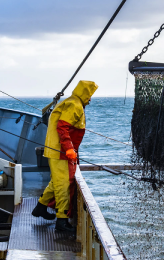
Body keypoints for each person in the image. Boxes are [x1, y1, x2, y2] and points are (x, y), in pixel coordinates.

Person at [32, 80, 98, 232]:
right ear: (84, 94)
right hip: (60, 151)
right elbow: (62, 127)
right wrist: (68, 149)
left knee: (57, 181)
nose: (90, 99)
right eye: (89, 96)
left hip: (56, 150)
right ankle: (61, 221)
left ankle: (41, 207)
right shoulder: (75, 105)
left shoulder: (72, 102)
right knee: (63, 185)